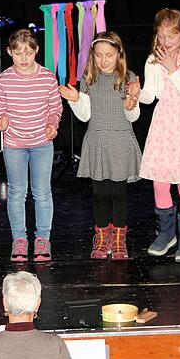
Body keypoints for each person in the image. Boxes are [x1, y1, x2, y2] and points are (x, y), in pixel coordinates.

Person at [128, 8, 180, 263]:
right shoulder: (153, 59)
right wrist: (135, 92)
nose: (166, 42)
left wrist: (173, 67)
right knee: (160, 183)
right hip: (164, 123)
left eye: (171, 36)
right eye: (162, 36)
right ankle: (166, 234)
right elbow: (151, 95)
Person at [59, 31, 142, 260]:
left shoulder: (128, 78)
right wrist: (75, 100)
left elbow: (133, 116)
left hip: (120, 140)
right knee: (100, 194)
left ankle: (118, 240)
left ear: (119, 55)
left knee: (118, 193)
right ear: (92, 56)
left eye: (109, 55)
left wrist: (131, 102)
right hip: (97, 141)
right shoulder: (88, 78)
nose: (104, 60)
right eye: (98, 55)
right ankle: (102, 237)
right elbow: (85, 116)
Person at [0, 29, 62, 263]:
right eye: (18, 53)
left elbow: (55, 107)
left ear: (37, 51)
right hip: (14, 144)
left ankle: (42, 238)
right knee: (16, 192)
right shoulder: (3, 80)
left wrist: (53, 124)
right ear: (9, 52)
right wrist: (0, 121)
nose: (24, 58)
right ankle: (19, 240)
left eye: (29, 52)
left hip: (42, 143)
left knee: (42, 193)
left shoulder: (47, 77)